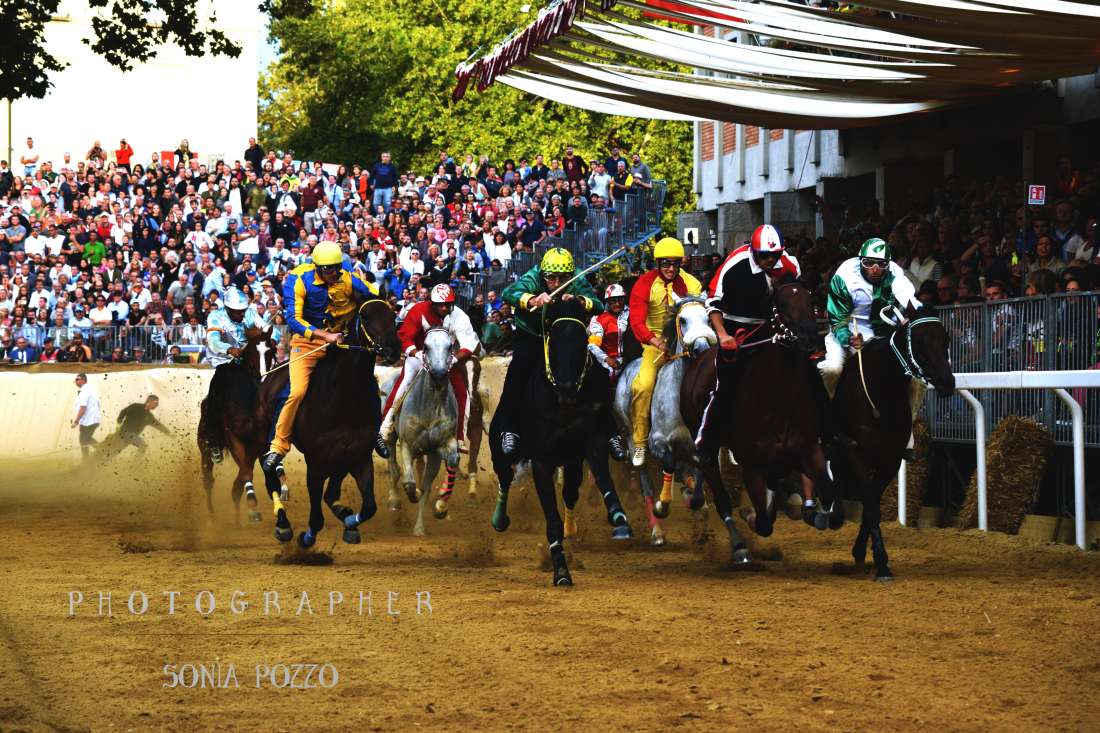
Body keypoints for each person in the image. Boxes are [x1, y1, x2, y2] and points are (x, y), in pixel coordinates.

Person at [261, 240, 379, 473]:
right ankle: (278, 445)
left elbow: (374, 296)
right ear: (317, 266)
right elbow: (293, 319)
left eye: (336, 267)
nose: (334, 273)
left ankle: (377, 432)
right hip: (307, 345)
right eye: (328, 269)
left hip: (342, 345)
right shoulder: (298, 279)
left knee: (369, 385)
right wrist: (326, 336)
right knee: (296, 392)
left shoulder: (347, 278)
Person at [695, 224, 804, 465]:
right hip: (736, 328)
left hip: (771, 327)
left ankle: (823, 432)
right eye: (763, 255)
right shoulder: (735, 264)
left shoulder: (790, 264)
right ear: (754, 251)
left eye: (774, 255)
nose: (769, 260)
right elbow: (713, 302)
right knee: (726, 382)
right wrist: (723, 335)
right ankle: (706, 440)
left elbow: (795, 298)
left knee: (803, 370)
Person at [495, 247, 605, 458]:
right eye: (551, 278)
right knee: (517, 374)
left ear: (570, 275)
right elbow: (508, 293)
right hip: (532, 336)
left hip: (562, 340)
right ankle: (509, 428)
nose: (556, 283)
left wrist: (582, 301)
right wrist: (532, 300)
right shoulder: (533, 276)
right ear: (543, 274)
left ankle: (609, 431)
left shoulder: (578, 278)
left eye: (562, 278)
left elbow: (598, 304)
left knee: (596, 371)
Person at [820, 237, 923, 455]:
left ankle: (908, 424)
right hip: (848, 330)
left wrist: (917, 315)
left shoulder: (895, 273)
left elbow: (909, 300)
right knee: (832, 369)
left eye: (881, 264)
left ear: (888, 264)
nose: (875, 269)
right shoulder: (845, 274)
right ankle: (827, 426)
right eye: (868, 263)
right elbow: (836, 317)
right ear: (860, 261)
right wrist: (848, 338)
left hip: (883, 336)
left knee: (916, 377)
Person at [626, 237, 703, 466]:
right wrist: (656, 342)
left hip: (687, 341)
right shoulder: (644, 284)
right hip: (654, 345)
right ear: (657, 264)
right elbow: (637, 323)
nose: (671, 269)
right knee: (644, 385)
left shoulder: (692, 284)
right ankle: (639, 441)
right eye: (666, 264)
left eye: (675, 264)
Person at [378, 283, 481, 452]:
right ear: (432, 303)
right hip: (419, 354)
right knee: (405, 382)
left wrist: (454, 359)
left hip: (446, 359)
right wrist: (415, 353)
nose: (444, 308)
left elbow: (469, 345)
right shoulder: (418, 310)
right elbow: (404, 336)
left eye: (448, 304)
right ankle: (386, 424)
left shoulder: (459, 316)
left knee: (463, 392)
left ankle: (459, 437)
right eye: (440, 304)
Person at [202, 287, 279, 462]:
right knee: (215, 395)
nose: (241, 315)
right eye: (237, 312)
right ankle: (213, 440)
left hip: (249, 364)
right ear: (228, 309)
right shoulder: (215, 316)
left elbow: (270, 329)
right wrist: (228, 349)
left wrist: (272, 339)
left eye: (243, 311)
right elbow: (213, 341)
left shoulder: (250, 313)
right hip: (225, 364)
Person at [587, 283, 629, 378]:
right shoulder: (598, 319)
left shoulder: (631, 314)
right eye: (613, 301)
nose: (617, 303)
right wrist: (607, 359)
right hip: (607, 363)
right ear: (607, 301)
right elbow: (592, 345)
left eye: (620, 300)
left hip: (630, 359)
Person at [71, 373, 101, 460]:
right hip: (93, 419)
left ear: (83, 380)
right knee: (85, 439)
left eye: (77, 379)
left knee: (84, 440)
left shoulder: (85, 390)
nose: (76, 382)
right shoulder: (92, 389)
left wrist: (76, 421)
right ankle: (90, 457)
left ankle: (101, 452)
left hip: (89, 421)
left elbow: (83, 407)